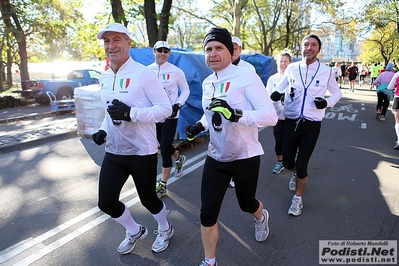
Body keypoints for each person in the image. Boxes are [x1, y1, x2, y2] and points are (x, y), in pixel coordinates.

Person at [185, 27, 278, 266]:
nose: (213, 54)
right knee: (207, 213)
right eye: (208, 49)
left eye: (219, 48)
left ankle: (260, 216)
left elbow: (270, 116)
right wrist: (199, 125)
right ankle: (210, 261)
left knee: (246, 204)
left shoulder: (246, 76)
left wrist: (237, 115)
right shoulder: (207, 82)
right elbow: (211, 112)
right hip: (216, 157)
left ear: (230, 51)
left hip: (244, 156)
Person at [93, 23, 174, 255]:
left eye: (117, 39)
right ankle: (134, 230)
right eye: (107, 41)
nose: (111, 45)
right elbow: (109, 112)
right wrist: (103, 130)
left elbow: (164, 109)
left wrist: (131, 113)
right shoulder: (105, 76)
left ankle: (165, 228)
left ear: (128, 42)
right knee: (106, 202)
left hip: (142, 151)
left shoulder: (143, 74)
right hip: (115, 151)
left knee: (149, 200)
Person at [270, 34, 342, 216]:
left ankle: (298, 199)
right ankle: (296, 173)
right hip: (291, 120)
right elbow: (280, 85)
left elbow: (337, 93)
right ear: (301, 47)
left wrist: (326, 102)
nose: (309, 48)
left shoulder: (326, 70)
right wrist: (277, 93)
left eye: (313, 45)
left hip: (312, 123)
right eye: (306, 44)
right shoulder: (292, 68)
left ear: (318, 49)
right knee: (287, 162)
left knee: (302, 164)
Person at [147, 41, 191, 198]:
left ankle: (163, 185)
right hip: (154, 115)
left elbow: (186, 90)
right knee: (162, 146)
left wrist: (178, 105)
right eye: (160, 50)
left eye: (166, 51)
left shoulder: (176, 71)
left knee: (164, 149)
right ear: (154, 51)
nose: (163, 53)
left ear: (169, 54)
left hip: (171, 115)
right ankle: (179, 158)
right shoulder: (147, 71)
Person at [228, 35, 256, 188]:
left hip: (242, 115)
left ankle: (238, 176)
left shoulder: (248, 68)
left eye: (235, 47)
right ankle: (229, 174)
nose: (232, 50)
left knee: (241, 147)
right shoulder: (222, 67)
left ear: (240, 50)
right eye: (229, 46)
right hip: (225, 116)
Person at [265, 51, 292, 174]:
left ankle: (293, 160)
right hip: (278, 116)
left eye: (286, 61)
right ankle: (280, 161)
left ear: (290, 63)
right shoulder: (272, 79)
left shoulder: (295, 77)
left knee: (292, 140)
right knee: (279, 140)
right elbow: (267, 97)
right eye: (281, 61)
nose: (283, 64)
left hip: (293, 115)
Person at [387, 68, 399, 149]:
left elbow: (390, 87)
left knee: (398, 121)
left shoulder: (397, 74)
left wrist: (395, 86)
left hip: (398, 97)